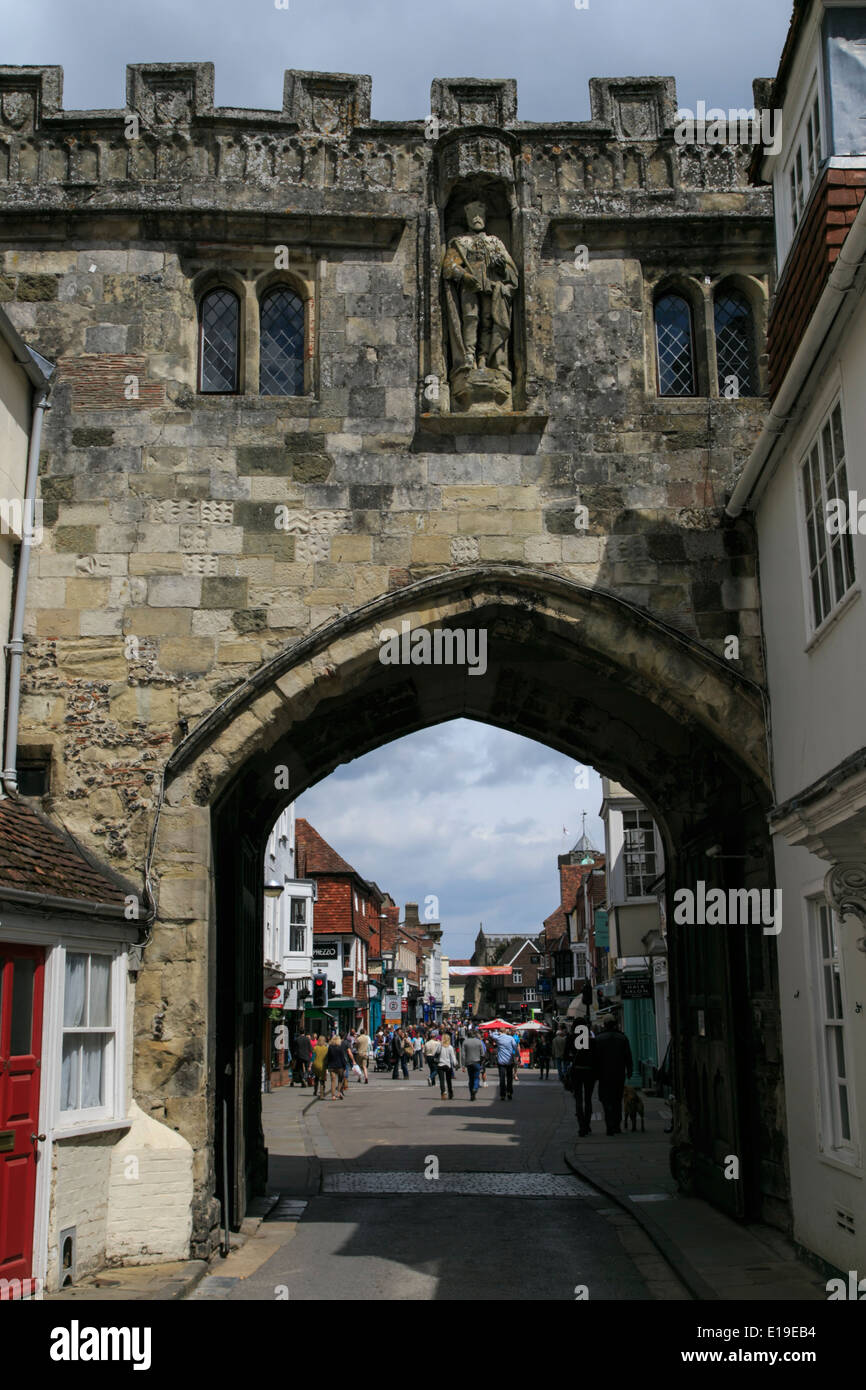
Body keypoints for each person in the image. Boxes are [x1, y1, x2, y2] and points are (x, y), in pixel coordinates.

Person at [594, 1018, 633, 1135]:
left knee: (606, 1100)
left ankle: (609, 1125)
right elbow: (628, 1056)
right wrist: (630, 1070)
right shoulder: (622, 1038)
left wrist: (595, 1073)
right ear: (615, 1025)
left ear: (605, 1025)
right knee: (617, 1100)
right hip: (618, 1074)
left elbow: (595, 1058)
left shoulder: (599, 1038)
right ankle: (616, 1125)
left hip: (604, 1075)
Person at [565, 1022, 596, 1136]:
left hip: (577, 1071)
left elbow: (565, 1056)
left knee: (578, 1099)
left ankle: (581, 1126)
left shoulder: (571, 1039)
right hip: (589, 1072)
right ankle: (587, 1124)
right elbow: (596, 1057)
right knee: (588, 1099)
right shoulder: (592, 1041)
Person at [491, 1027, 519, 1101]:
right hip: (509, 1061)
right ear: (506, 1031)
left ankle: (502, 1095)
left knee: (502, 1078)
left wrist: (497, 1032)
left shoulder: (498, 1038)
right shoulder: (510, 1038)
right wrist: (517, 1055)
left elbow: (492, 1034)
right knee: (509, 1078)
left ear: (500, 1031)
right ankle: (509, 1092)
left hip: (501, 1061)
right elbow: (515, 1047)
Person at [462, 1028, 486, 1100]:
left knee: (471, 1078)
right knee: (476, 1077)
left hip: (469, 1062)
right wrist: (482, 1061)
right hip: (477, 1062)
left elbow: (463, 1055)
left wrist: (463, 1065)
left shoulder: (465, 1042)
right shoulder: (479, 1042)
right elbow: (483, 1054)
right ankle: (475, 1088)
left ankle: (471, 1094)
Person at [437, 1031, 458, 1099]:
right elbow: (453, 1057)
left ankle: (443, 1092)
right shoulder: (450, 1047)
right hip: (448, 1065)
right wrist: (455, 1063)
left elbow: (436, 1052)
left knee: (441, 1081)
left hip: (440, 1064)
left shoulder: (440, 1046)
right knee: (448, 1080)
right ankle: (450, 1093)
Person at [326, 1034, 346, 1100]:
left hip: (332, 1066)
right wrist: (344, 1066)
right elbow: (342, 1058)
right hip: (339, 1066)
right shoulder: (340, 1048)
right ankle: (339, 1092)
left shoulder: (330, 1047)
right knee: (341, 1079)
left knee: (333, 1081)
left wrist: (327, 1066)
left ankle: (333, 1096)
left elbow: (328, 1057)